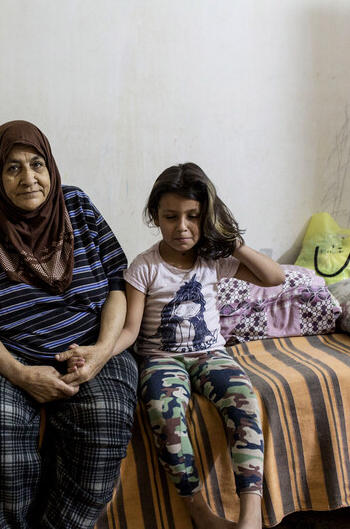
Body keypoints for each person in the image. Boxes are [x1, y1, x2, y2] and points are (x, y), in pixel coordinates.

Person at [0, 120, 138, 528]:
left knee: (105, 419)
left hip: (89, 344)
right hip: (5, 355)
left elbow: (117, 283)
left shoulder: (79, 209)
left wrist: (102, 352)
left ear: (51, 166)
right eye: (13, 168)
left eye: (37, 164)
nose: (29, 178)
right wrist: (20, 374)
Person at [110, 162, 285, 529]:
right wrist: (99, 354)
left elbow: (275, 277)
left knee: (244, 399)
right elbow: (129, 330)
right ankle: (199, 511)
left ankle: (251, 512)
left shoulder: (213, 261)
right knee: (163, 411)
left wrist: (229, 238)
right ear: (155, 216)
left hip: (211, 355)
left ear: (206, 217)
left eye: (194, 216)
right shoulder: (144, 267)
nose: (183, 227)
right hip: (161, 359)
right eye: (171, 216)